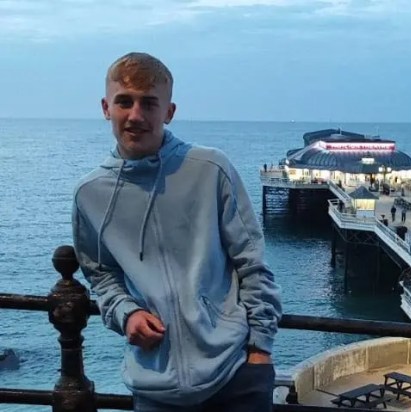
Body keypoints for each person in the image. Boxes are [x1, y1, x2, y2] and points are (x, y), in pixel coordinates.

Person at [72, 52, 282, 412]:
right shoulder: (90, 195)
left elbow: (252, 262)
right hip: (156, 388)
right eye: (125, 102)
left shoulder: (211, 169)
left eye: (149, 104)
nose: (135, 115)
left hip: (234, 377)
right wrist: (128, 313)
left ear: (168, 112)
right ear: (107, 107)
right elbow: (101, 275)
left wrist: (260, 351)